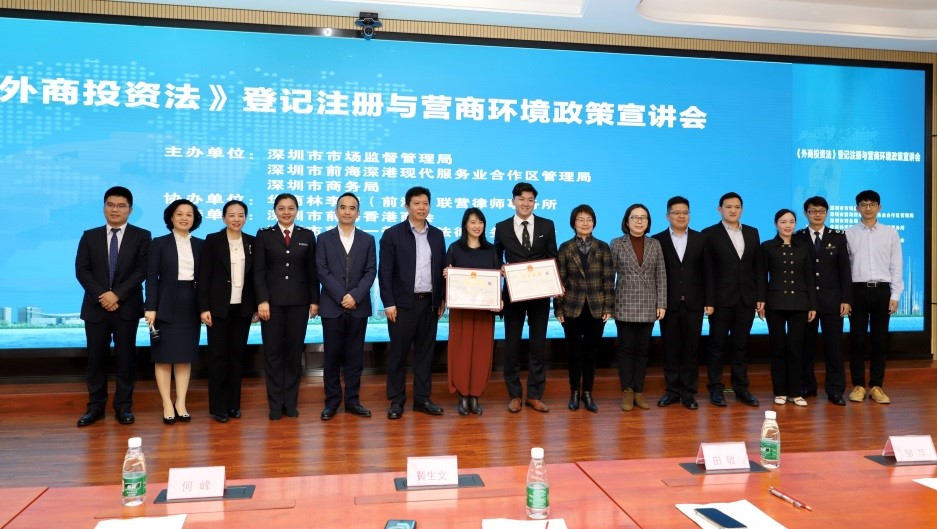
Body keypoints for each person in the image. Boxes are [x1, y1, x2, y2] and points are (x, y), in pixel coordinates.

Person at [75, 186, 151, 426]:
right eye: (110, 205)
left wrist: (116, 294)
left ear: (130, 209)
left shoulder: (142, 236)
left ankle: (123, 407)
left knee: (126, 360)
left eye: (121, 206)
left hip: (126, 307)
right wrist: (103, 296)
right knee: (95, 360)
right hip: (95, 307)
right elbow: (82, 270)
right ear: (104, 207)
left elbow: (142, 270)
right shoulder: (90, 236)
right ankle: (95, 408)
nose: (115, 210)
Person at [379, 186, 447, 419]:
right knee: (398, 354)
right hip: (402, 305)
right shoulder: (392, 234)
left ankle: (422, 399)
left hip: (429, 303)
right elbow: (385, 272)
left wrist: (441, 298)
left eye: (425, 203)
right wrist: (389, 303)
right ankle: (397, 400)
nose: (421, 207)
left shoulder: (437, 235)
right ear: (407, 206)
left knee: (425, 354)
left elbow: (441, 269)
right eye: (416, 203)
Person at [254, 193, 319, 421]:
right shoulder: (264, 235)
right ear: (275, 211)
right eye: (281, 208)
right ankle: (275, 405)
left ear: (297, 211)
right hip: (271, 305)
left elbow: (312, 271)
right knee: (273, 354)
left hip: (299, 304)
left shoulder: (307, 235)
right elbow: (258, 271)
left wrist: (314, 300)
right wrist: (262, 300)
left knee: (293, 354)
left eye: (291, 208)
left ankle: (290, 403)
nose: (286, 212)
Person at [494, 182, 558, 413]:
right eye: (521, 199)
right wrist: (500, 267)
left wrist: (553, 281)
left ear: (535, 202)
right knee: (511, 345)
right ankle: (514, 394)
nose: (526, 203)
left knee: (538, 345)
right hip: (513, 294)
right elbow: (495, 257)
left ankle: (534, 394)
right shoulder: (502, 227)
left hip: (539, 295)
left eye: (530, 199)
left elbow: (553, 257)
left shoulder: (547, 225)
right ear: (513, 201)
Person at [316, 192, 376, 421]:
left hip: (358, 307)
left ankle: (353, 401)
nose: (347, 211)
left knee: (355, 358)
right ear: (336, 211)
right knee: (331, 357)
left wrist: (355, 296)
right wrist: (343, 296)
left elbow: (371, 271)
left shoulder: (367, 240)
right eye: (343, 207)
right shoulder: (323, 238)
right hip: (332, 307)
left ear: (358, 213)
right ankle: (332, 402)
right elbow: (322, 270)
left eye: (352, 208)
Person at [144, 199, 204, 425]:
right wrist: (150, 307)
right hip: (165, 304)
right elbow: (151, 277)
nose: (184, 218)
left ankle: (181, 402)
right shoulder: (159, 243)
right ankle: (166, 403)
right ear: (171, 217)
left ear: (194, 219)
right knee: (163, 357)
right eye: (180, 213)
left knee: (184, 356)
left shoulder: (201, 245)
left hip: (191, 304)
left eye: (189, 214)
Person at [702, 192, 765, 408]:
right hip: (720, 300)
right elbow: (707, 271)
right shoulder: (709, 234)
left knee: (740, 346)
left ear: (742, 209)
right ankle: (715, 389)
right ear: (719, 209)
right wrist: (709, 300)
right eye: (728, 206)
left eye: (737, 207)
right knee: (717, 346)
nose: (733, 210)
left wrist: (760, 296)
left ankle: (741, 389)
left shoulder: (752, 232)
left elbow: (758, 267)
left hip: (746, 299)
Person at [198, 200, 256, 423]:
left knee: (237, 357)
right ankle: (219, 407)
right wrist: (204, 307)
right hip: (218, 309)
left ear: (246, 218)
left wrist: (255, 305)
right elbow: (204, 276)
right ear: (223, 218)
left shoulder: (252, 242)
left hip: (243, 308)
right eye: (231, 215)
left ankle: (233, 405)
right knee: (218, 358)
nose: (236, 219)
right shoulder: (213, 240)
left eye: (240, 215)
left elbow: (255, 277)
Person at [652, 196, 713, 410]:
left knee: (691, 348)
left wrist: (709, 300)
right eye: (676, 212)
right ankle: (672, 390)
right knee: (670, 349)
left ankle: (688, 391)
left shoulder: (701, 238)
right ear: (667, 215)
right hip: (668, 303)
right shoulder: (657, 240)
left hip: (694, 303)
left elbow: (708, 272)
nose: (681, 216)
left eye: (685, 212)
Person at [845, 189, 903, 405]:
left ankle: (877, 386)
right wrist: (846, 297)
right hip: (857, 291)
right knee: (857, 340)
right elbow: (844, 268)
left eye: (872, 204)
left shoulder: (890, 233)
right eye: (863, 204)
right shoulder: (848, 233)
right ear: (857, 208)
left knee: (879, 341)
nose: (867, 208)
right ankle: (859, 386)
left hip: (882, 290)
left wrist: (895, 294)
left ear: (879, 207)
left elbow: (896, 265)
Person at [554, 204, 613, 413]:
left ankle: (587, 392)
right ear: (573, 223)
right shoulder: (565, 247)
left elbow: (609, 279)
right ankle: (574, 392)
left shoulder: (603, 247)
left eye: (589, 219)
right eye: (580, 219)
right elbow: (559, 281)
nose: (585, 223)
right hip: (572, 307)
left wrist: (609, 307)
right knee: (574, 353)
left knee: (590, 353)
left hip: (596, 307)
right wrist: (558, 309)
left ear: (594, 222)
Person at [444, 208, 501, 416]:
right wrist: (447, 275)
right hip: (462, 311)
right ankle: (462, 395)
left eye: (480, 222)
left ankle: (475, 395)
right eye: (472, 222)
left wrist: (498, 300)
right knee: (461, 351)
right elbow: (448, 280)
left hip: (484, 311)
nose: (477, 226)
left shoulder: (491, 250)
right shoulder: (454, 248)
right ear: (465, 225)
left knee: (481, 353)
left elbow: (496, 279)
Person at [611, 204, 667, 411]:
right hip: (624, 303)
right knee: (626, 350)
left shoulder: (655, 244)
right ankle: (627, 391)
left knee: (643, 351)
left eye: (643, 217)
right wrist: (609, 305)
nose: (639, 221)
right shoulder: (617, 243)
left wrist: (662, 303)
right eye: (634, 217)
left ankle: (639, 392)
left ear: (648, 222)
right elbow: (609, 276)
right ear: (627, 221)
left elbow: (661, 275)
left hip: (648, 304)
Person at [796, 196, 851, 406]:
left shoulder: (838, 237)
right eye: (813, 211)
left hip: (833, 301)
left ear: (826, 213)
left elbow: (845, 270)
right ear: (806, 213)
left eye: (821, 211)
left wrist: (846, 298)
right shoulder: (798, 237)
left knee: (834, 348)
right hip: (806, 302)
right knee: (806, 346)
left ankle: (835, 389)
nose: (817, 214)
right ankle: (807, 386)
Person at [761, 209, 817, 407]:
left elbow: (809, 277)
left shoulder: (803, 246)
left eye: (791, 221)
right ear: (776, 223)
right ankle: (780, 391)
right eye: (783, 221)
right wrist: (761, 301)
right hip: (775, 303)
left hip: (800, 303)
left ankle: (795, 392)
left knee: (795, 348)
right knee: (778, 348)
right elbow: (761, 276)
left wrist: (812, 304)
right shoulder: (767, 246)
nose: (787, 225)